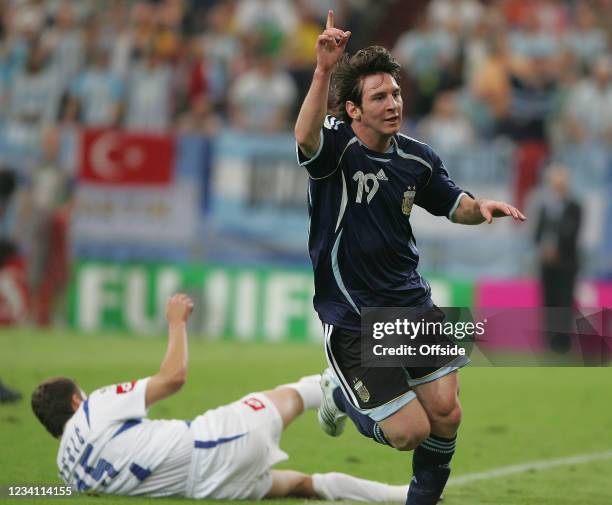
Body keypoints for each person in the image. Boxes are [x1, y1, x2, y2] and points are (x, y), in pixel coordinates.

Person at [294, 11, 526, 505]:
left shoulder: (416, 158)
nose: (393, 103)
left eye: (395, 93)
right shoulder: (334, 148)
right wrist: (322, 71)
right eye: (379, 97)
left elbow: (453, 204)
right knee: (409, 432)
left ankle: (423, 500)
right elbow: (304, 137)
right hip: (355, 318)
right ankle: (338, 395)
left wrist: (478, 207)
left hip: (410, 303)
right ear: (353, 111)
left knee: (448, 412)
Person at [31, 294, 410, 501]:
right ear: (76, 402)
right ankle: (336, 392)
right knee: (294, 394)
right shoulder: (94, 407)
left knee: (301, 487)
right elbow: (173, 378)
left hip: (207, 489)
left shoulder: (68, 470)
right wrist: (177, 322)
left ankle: (403, 496)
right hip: (213, 442)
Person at [534, 165, 582, 352]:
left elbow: (573, 233)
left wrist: (556, 249)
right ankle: (550, 340)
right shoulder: (545, 206)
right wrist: (543, 249)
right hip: (547, 263)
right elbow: (537, 233)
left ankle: (563, 342)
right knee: (548, 301)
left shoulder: (575, 206)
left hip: (566, 263)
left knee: (564, 301)